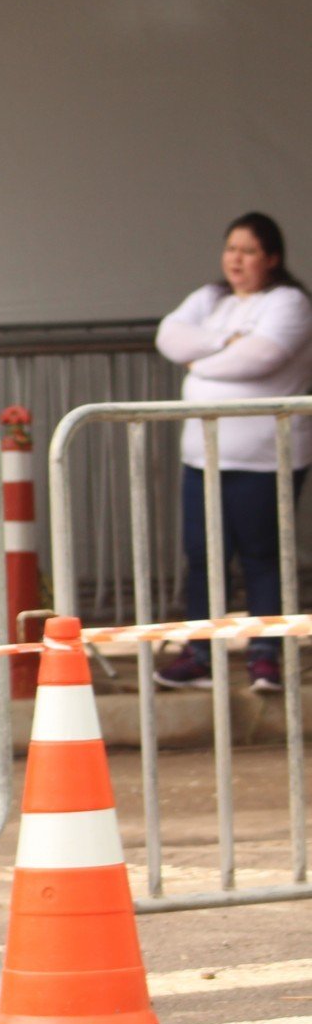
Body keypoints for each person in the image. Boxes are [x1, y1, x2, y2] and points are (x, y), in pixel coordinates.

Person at [153, 212, 312, 692]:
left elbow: (262, 357)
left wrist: (198, 365)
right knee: (202, 555)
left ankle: (266, 655)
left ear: (272, 258)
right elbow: (168, 336)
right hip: (203, 457)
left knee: (262, 556)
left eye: (248, 251)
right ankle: (201, 652)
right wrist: (224, 342)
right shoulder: (211, 298)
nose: (236, 260)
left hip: (264, 457)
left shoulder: (289, 302)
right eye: (230, 249)